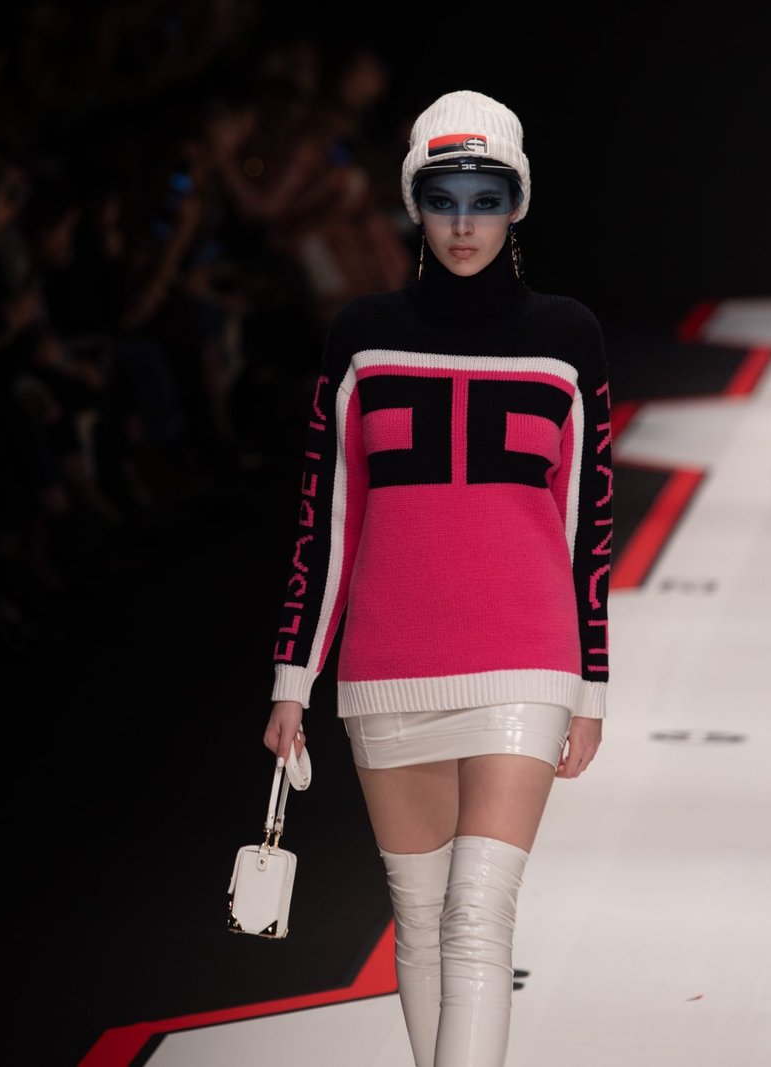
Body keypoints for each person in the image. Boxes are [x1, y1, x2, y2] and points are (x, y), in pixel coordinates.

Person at [259, 89, 613, 1067]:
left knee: (476, 913)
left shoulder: (567, 338)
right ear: (415, 202)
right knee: (418, 917)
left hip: (526, 656)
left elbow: (587, 525)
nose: (464, 223)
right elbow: (328, 520)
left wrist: (591, 683)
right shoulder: (361, 336)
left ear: (517, 203)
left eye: (486, 199)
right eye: (444, 198)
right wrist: (293, 677)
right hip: (389, 658)